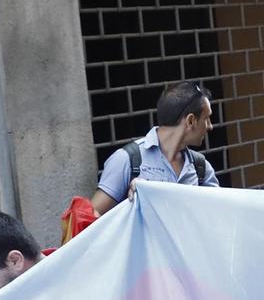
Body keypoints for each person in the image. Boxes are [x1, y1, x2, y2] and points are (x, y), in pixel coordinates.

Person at [92, 80, 218, 214]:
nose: (210, 126)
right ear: (190, 121)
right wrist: (129, 205)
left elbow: (220, 214)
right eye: (207, 119)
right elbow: (91, 218)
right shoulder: (127, 159)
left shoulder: (201, 168)